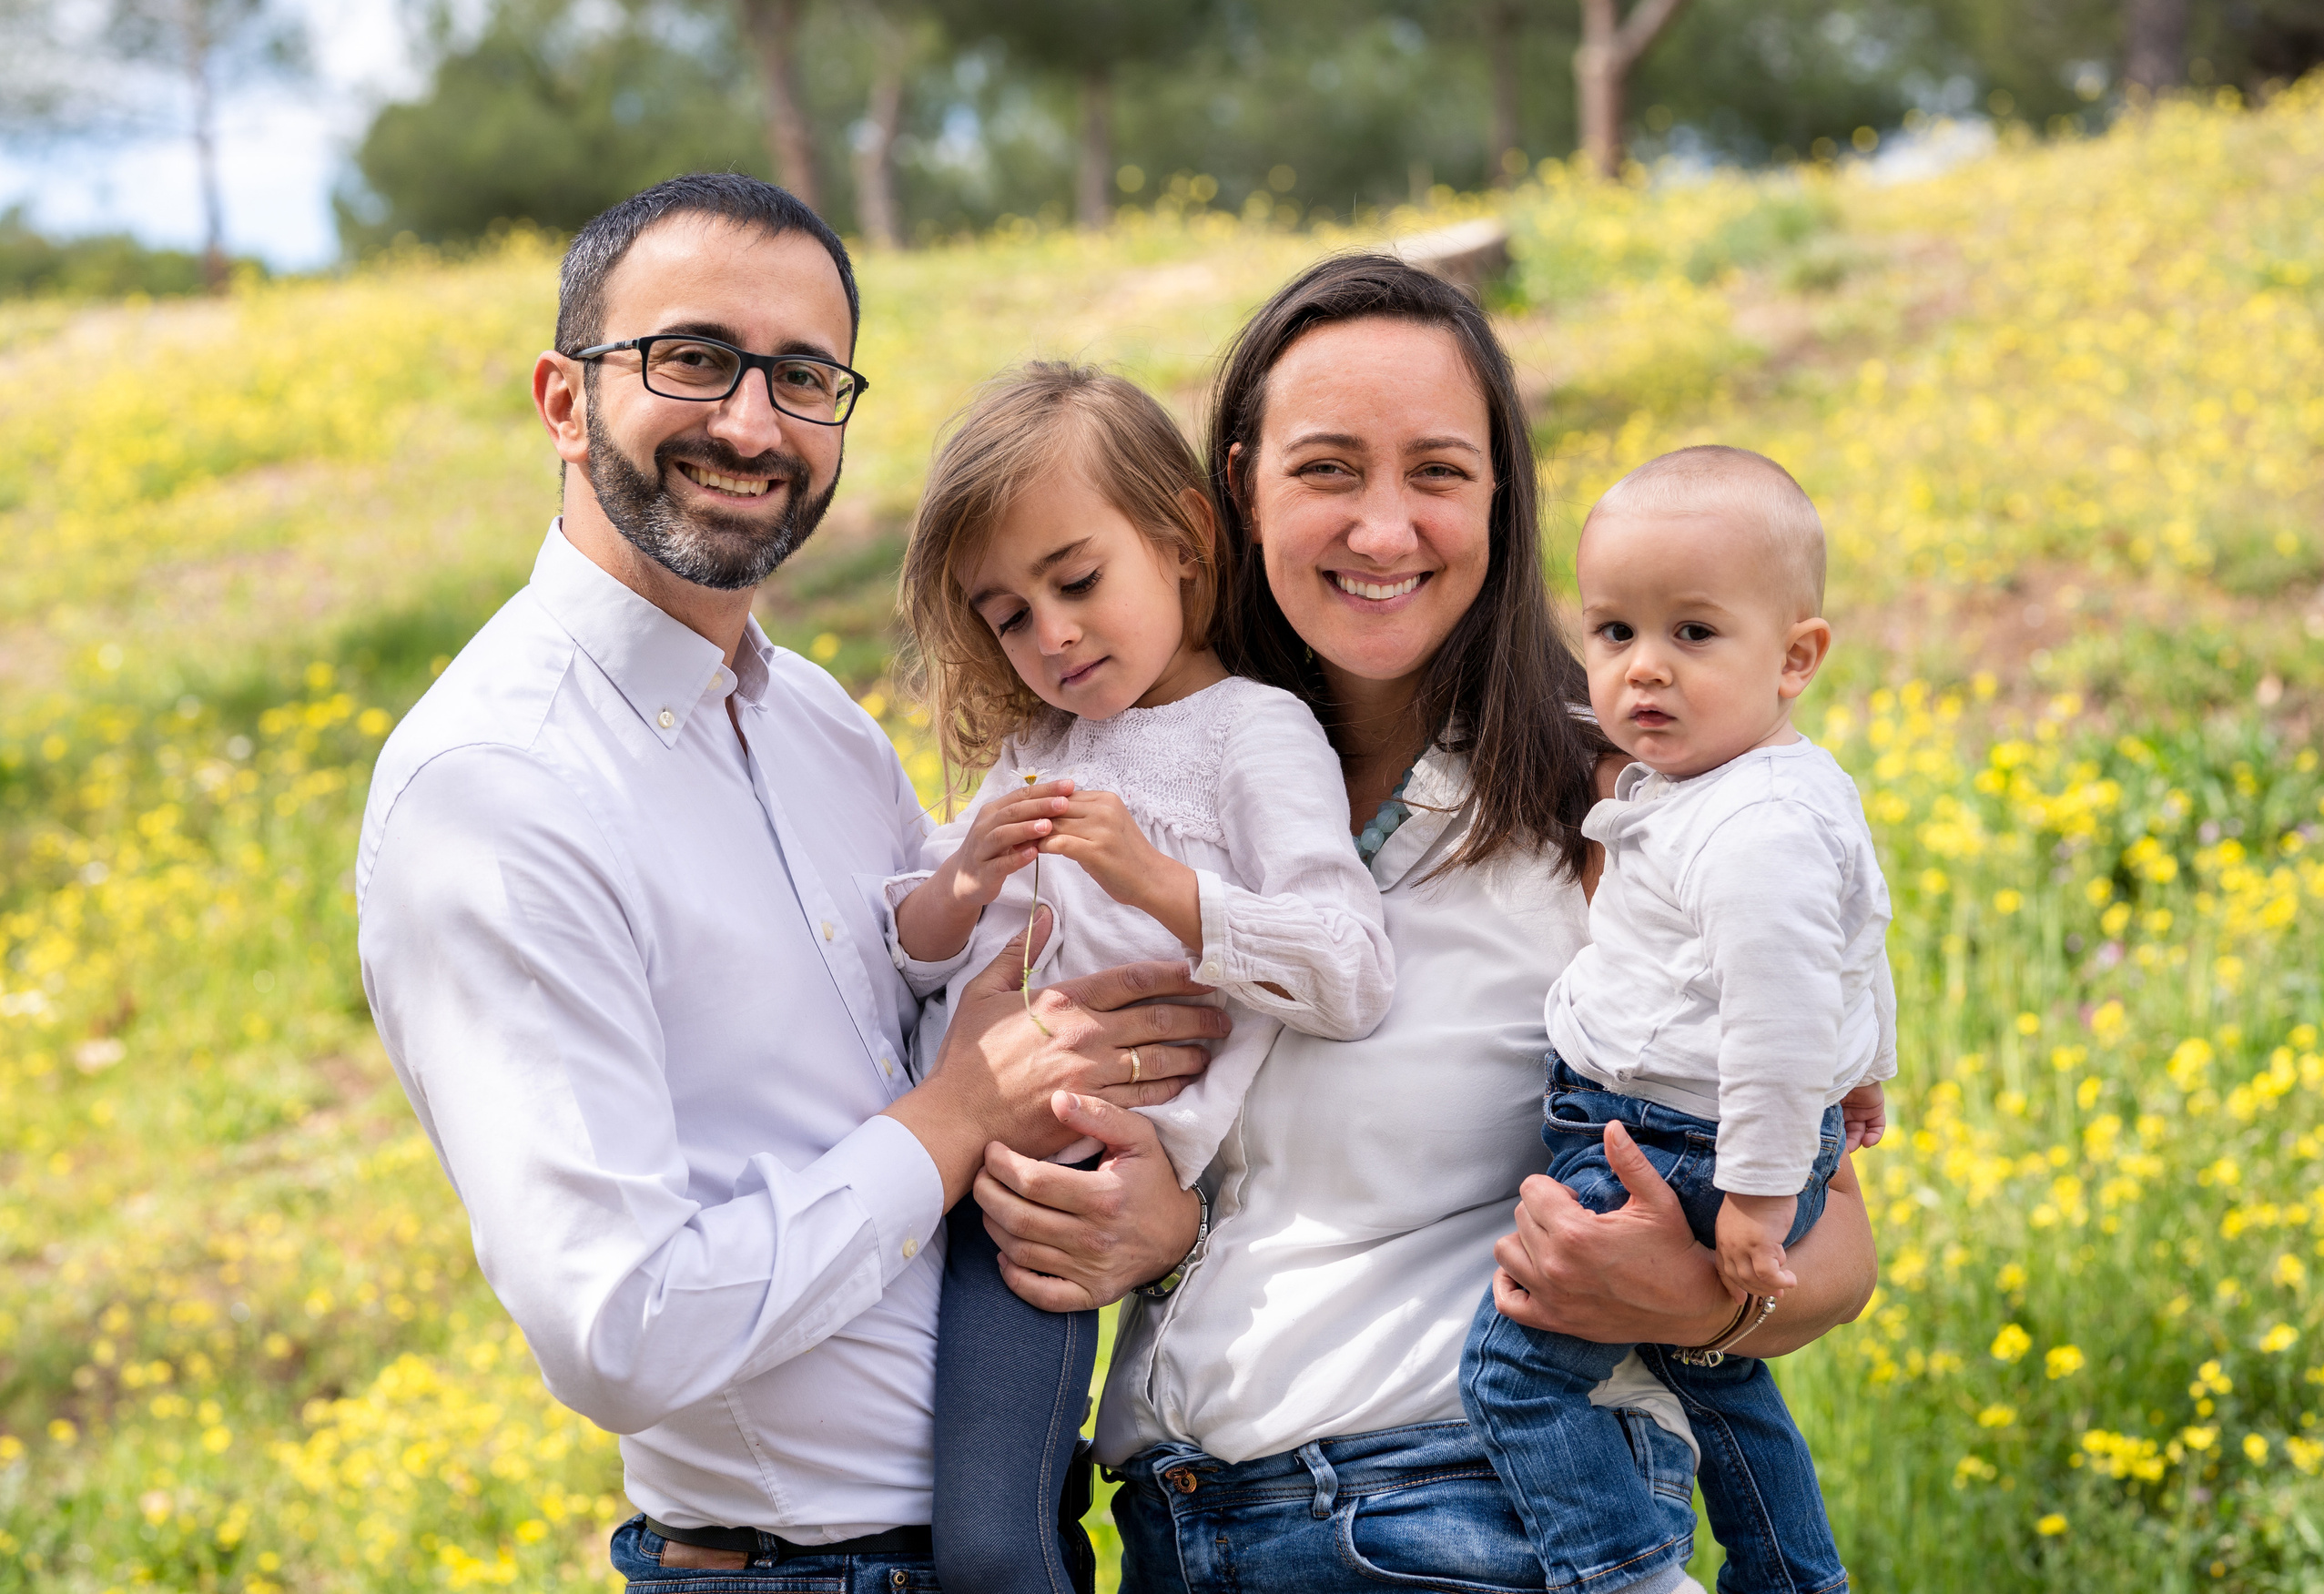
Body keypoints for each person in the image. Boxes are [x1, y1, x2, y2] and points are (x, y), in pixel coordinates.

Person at [353, 174, 1232, 1593]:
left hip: (1019, 1539)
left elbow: (962, 1005)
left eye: (805, 376)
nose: (753, 423)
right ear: (565, 400)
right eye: (694, 358)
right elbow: (617, 1325)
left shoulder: (816, 721)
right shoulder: (501, 785)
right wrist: (954, 1115)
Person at [966, 255, 1883, 1591]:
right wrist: (1143, 1221)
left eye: (1440, 473)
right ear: (1235, 490)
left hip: (1469, 1519)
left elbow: (1835, 1226)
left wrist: (1694, 1300)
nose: (1384, 530)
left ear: (1502, 503)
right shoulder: (1129, 770)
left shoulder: (1622, 806)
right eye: (1329, 468)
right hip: (1174, 1533)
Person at [886, 362, 1395, 1592]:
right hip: (947, 1153)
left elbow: (1350, 964)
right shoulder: (1037, 747)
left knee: (997, 1544)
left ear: (1177, 539)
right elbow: (904, 942)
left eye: (1077, 579)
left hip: (1064, 1187)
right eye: (1006, 612)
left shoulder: (1254, 731)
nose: (1050, 635)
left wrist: (1159, 881)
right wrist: (958, 890)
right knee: (983, 1521)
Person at [1459, 444, 1895, 1594]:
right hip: (1706, 1132)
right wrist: (1862, 1073)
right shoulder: (1776, 784)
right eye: (1612, 633)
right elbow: (1851, 945)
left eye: (1692, 634)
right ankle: (1793, 1572)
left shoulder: (1746, 827)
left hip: (1681, 1145)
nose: (1643, 670)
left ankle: (1620, 1571)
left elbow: (1775, 1015)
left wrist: (1756, 1194)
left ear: (1796, 655)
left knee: (1514, 1372)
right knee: (1721, 1383)